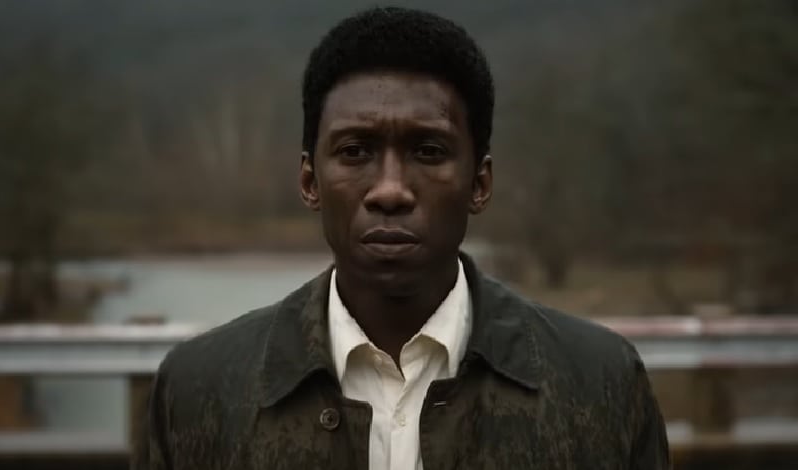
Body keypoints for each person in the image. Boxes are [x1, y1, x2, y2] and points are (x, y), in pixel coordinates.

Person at [134, 6, 670, 470]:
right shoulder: (199, 392)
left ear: (479, 184)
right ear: (310, 181)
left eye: (428, 152)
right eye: (354, 152)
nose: (389, 189)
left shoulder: (600, 385)